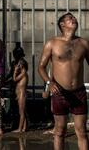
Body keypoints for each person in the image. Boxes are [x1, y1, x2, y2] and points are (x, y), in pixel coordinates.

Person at [38, 12, 89, 150]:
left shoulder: (83, 43)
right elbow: (41, 67)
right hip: (59, 92)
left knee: (82, 132)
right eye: (70, 18)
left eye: (74, 18)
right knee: (60, 131)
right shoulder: (52, 43)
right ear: (62, 24)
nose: (74, 19)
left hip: (79, 92)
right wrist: (50, 82)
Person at [13, 58, 28, 132]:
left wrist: (15, 71)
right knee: (23, 111)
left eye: (19, 64)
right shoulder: (23, 73)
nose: (18, 66)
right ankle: (24, 128)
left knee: (21, 112)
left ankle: (19, 128)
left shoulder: (23, 73)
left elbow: (14, 79)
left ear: (22, 65)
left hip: (22, 95)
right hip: (20, 94)